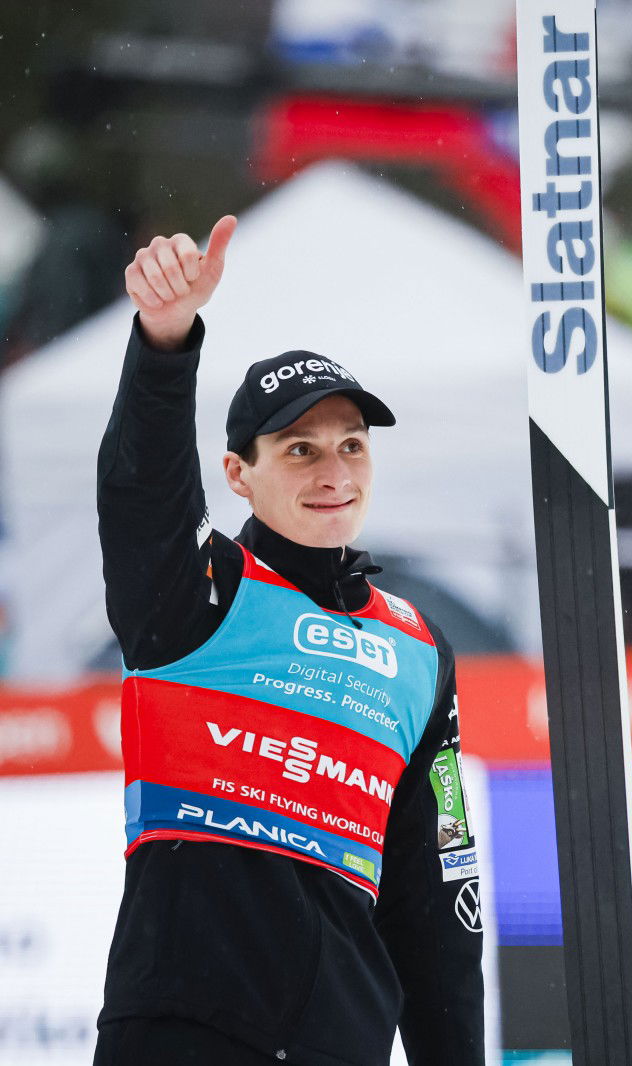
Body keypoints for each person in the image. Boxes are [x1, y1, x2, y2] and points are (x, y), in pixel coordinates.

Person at [95, 214, 485, 1065]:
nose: (333, 471)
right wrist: (165, 344)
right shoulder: (198, 591)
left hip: (339, 1043)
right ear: (238, 473)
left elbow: (439, 886)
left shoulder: (420, 648)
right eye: (300, 449)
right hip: (185, 1034)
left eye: (351, 446)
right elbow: (140, 495)